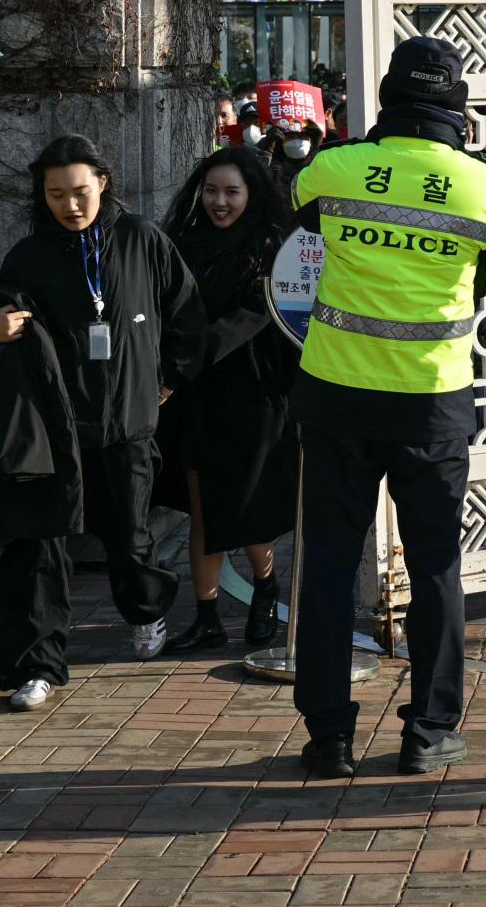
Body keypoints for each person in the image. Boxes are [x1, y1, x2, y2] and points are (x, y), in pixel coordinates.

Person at [288, 36, 486, 778]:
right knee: (437, 565)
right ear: (459, 108)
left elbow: (303, 220)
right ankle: (430, 730)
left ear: (386, 96)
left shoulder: (336, 169)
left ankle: (329, 736)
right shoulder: (485, 187)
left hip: (336, 396)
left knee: (325, 565)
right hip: (431, 400)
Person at [0, 134, 207, 710]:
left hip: (128, 422)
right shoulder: (30, 254)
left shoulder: (143, 239)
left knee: (131, 537)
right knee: (41, 549)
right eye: (57, 194)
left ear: (103, 185)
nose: (71, 205)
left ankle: (146, 610)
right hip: (55, 429)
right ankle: (39, 665)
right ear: (42, 195)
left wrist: (168, 379)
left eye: (81, 192)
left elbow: (187, 314)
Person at [152, 146, 302, 651]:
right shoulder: (183, 243)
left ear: (252, 194)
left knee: (247, 506)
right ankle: (207, 615)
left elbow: (242, 323)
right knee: (201, 507)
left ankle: (265, 588)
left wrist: (177, 369)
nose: (220, 202)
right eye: (211, 191)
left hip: (254, 393)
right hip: (198, 396)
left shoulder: (272, 250)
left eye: (231, 192)